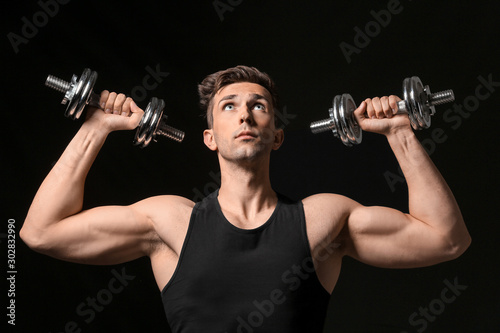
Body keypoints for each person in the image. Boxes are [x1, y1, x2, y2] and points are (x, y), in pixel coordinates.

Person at [21, 65, 471, 332]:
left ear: (277, 136)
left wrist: (399, 134)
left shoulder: (322, 219)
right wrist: (96, 126)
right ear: (209, 137)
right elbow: (41, 232)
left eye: (258, 105)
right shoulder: (168, 221)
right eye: (229, 106)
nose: (245, 115)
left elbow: (446, 240)